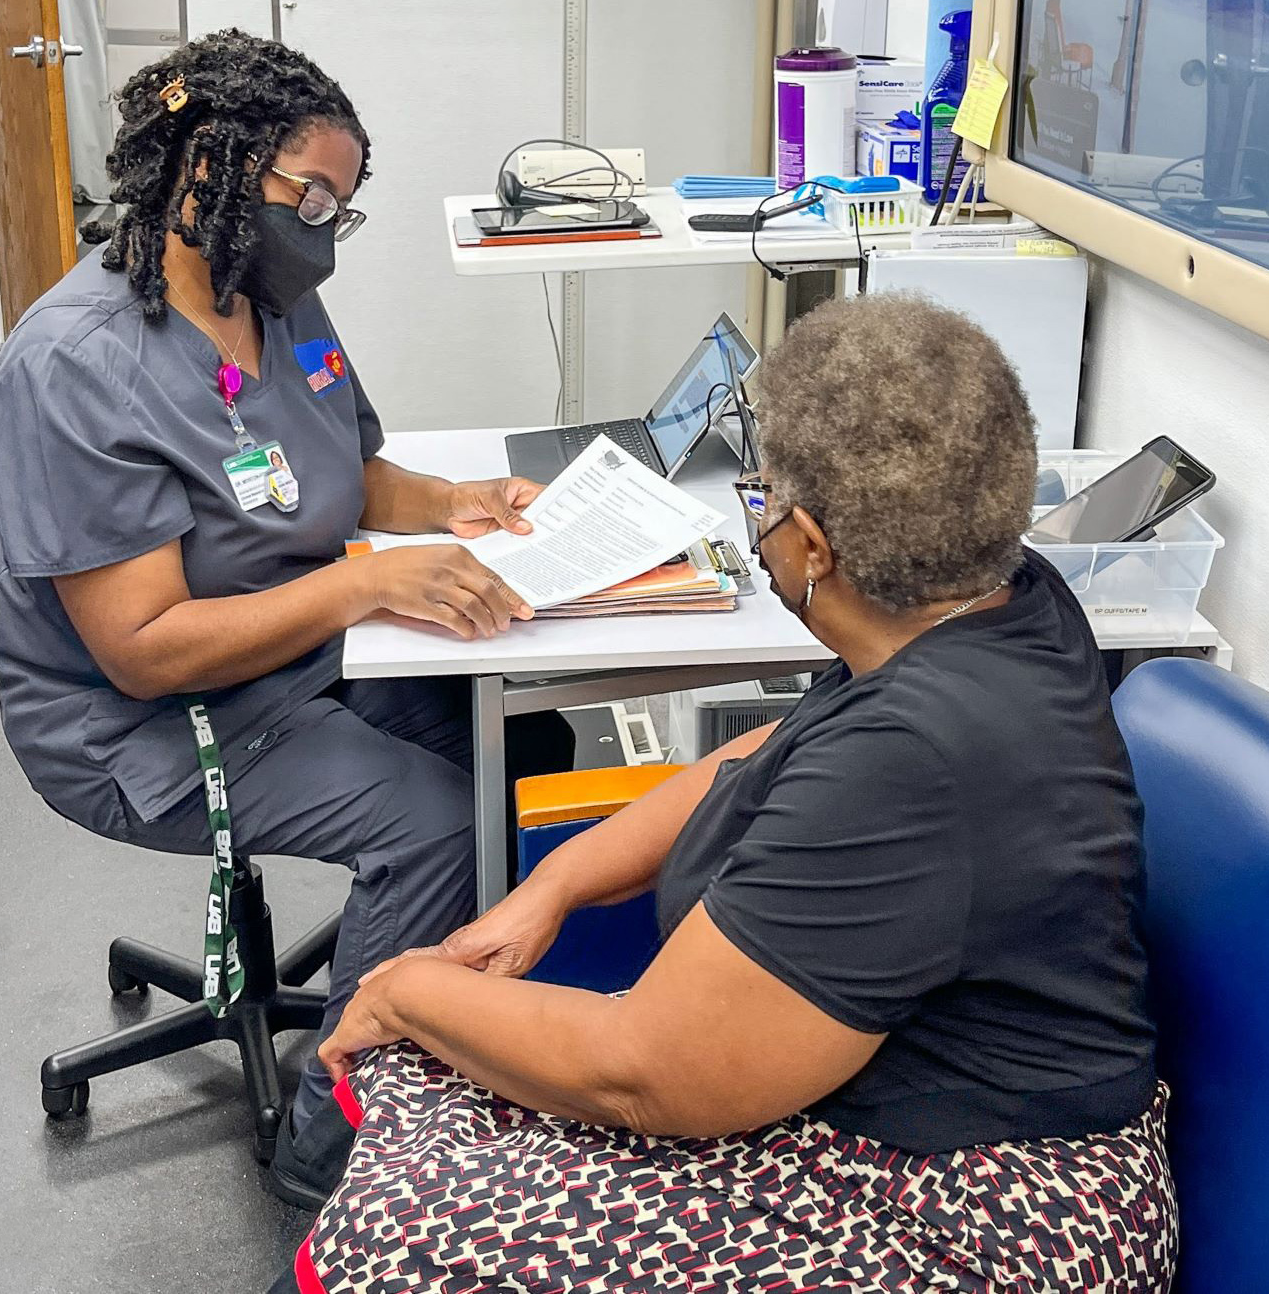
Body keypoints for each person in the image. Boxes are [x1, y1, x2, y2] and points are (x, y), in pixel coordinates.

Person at [272, 295, 1176, 1293]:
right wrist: (559, 882)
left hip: (971, 1208)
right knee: (438, 1108)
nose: (753, 516)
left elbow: (642, 1072)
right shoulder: (992, 597)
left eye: (759, 494)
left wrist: (398, 988)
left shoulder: (908, 758)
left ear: (814, 549)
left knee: (407, 1219)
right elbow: (763, 753)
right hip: (912, 1109)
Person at [0, 30, 572, 1199]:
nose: (322, 226)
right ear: (208, 160)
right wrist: (362, 583)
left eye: (338, 207)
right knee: (439, 823)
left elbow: (344, 472)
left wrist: (457, 505)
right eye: (309, 193)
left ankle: (433, 1016)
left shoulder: (269, 298)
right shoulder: (82, 363)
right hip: (144, 725)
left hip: (293, 648)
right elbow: (142, 652)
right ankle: (331, 1153)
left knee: (530, 743)